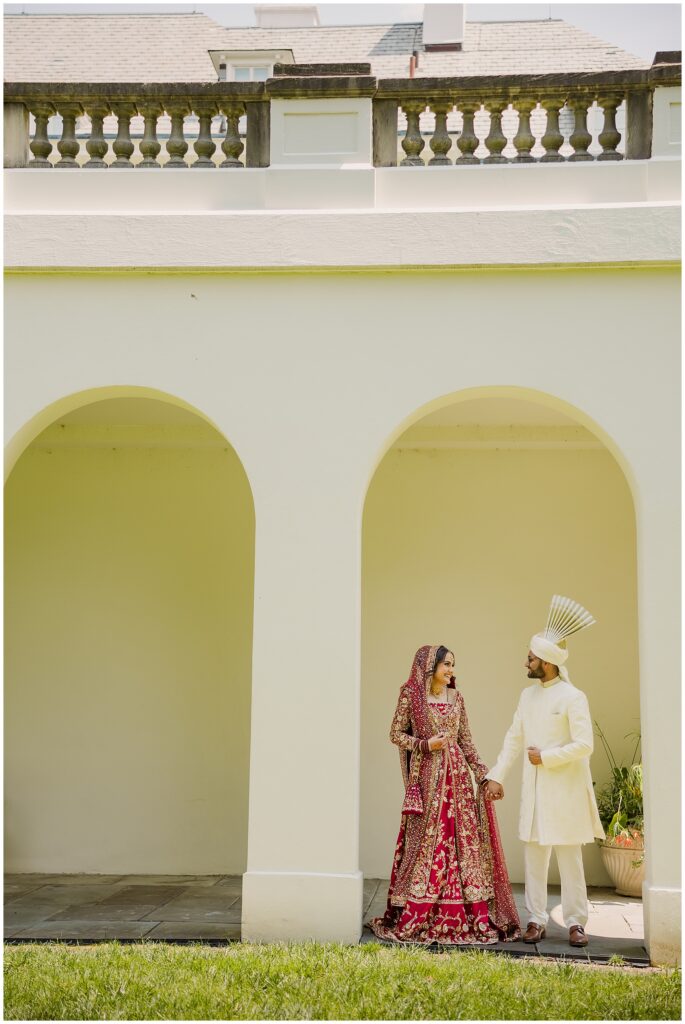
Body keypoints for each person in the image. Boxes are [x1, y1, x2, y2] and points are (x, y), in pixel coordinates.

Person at [369, 644, 520, 945]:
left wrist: (485, 775)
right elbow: (395, 734)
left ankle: (467, 914)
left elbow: (466, 741)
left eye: (453, 665)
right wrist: (426, 746)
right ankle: (420, 912)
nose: (451, 670)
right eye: (446, 665)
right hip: (427, 781)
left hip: (460, 783)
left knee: (461, 846)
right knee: (428, 844)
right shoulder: (410, 696)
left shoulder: (457, 698)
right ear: (429, 667)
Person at [484, 596, 604, 948]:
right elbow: (513, 738)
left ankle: (576, 922)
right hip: (535, 792)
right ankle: (535, 919)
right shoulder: (527, 696)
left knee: (570, 860)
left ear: (548, 663)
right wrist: (497, 775)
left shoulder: (573, 696)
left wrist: (547, 757)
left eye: (532, 658)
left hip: (565, 792)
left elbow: (585, 744)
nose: (527, 661)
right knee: (535, 857)